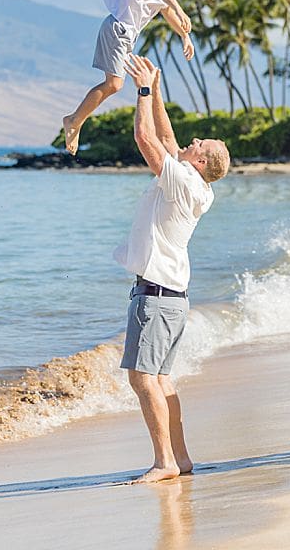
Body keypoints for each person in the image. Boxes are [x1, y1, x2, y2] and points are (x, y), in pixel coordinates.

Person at [114, 55, 230, 483]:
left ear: (201, 163)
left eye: (201, 144)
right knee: (160, 379)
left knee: (142, 379)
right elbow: (166, 134)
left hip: (157, 296)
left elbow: (147, 138)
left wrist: (142, 92)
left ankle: (165, 461)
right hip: (171, 297)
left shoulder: (182, 181)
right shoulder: (193, 182)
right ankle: (178, 459)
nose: (193, 140)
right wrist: (157, 90)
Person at [61, 0, 210, 155]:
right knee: (114, 84)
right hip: (117, 28)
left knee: (114, 84)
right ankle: (74, 121)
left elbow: (166, 10)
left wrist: (185, 36)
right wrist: (181, 9)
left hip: (126, 34)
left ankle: (75, 120)